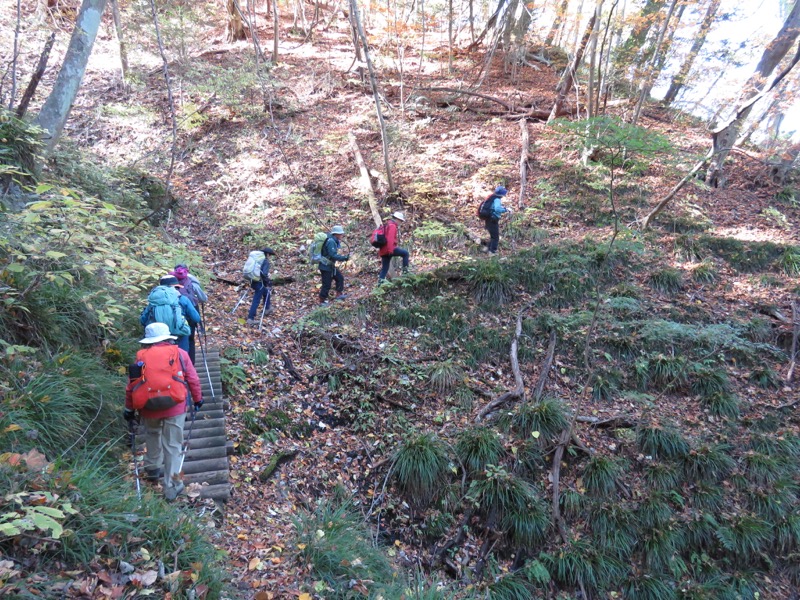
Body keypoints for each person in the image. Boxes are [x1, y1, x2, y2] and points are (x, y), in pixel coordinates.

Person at [124, 322, 203, 501]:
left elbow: (132, 386)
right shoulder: (180, 354)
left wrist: (129, 408)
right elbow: (193, 379)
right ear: (168, 338)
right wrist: (198, 399)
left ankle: (152, 468)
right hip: (175, 407)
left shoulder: (141, 358)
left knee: (152, 434)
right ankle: (171, 486)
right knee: (173, 446)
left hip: (148, 407)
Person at [140, 276, 201, 358]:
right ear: (175, 287)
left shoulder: (153, 301)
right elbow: (196, 318)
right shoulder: (182, 299)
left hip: (157, 338)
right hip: (179, 333)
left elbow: (143, 320)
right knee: (182, 358)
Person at [172, 264, 208, 361]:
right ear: (187, 271)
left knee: (175, 340)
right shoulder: (192, 283)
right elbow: (204, 299)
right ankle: (190, 364)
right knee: (190, 339)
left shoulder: (169, 283)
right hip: (191, 314)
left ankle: (178, 363)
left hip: (174, 316)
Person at [319, 226, 350, 305]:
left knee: (339, 278)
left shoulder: (333, 240)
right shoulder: (331, 241)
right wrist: (344, 258)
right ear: (336, 234)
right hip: (325, 266)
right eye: (340, 234)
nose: (342, 235)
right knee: (327, 284)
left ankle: (339, 295)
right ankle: (322, 300)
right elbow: (333, 255)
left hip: (330, 266)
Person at [378, 211, 410, 283]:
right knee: (405, 253)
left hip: (383, 250)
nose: (401, 222)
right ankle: (406, 274)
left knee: (384, 269)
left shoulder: (387, 224)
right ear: (397, 219)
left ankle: (379, 286)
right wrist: (390, 250)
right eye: (400, 221)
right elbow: (390, 239)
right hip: (389, 249)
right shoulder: (392, 226)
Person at [246, 247, 276, 326]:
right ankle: (250, 318)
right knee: (256, 300)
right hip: (259, 283)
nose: (270, 257)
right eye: (270, 255)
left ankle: (267, 308)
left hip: (253, 280)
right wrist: (268, 282)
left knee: (266, 292)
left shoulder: (257, 260)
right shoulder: (265, 261)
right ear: (268, 254)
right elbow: (264, 274)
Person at [483, 185, 513, 254]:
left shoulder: (492, 198)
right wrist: (506, 209)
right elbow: (497, 209)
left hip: (488, 219)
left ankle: (486, 249)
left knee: (493, 236)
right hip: (492, 219)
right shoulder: (497, 199)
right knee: (496, 237)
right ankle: (492, 252)